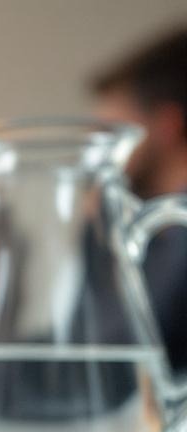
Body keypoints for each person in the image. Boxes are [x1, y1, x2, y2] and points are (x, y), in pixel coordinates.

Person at [89, 27, 187, 369]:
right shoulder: (153, 234)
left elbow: (112, 354)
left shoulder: (175, 233)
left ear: (166, 126)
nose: (98, 155)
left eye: (110, 134)